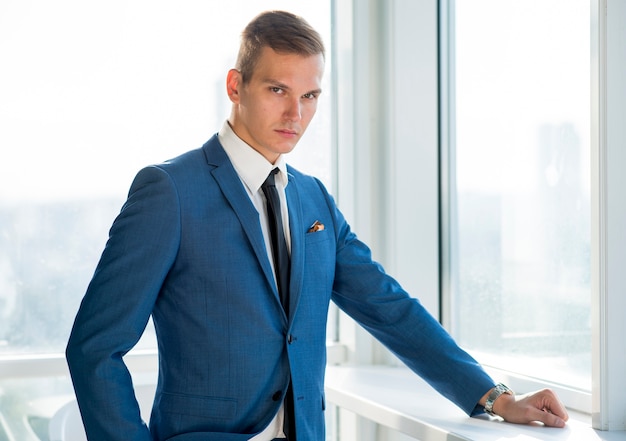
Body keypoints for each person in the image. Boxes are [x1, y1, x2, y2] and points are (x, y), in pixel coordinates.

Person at [66, 10, 569, 441]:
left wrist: (494, 396)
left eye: (310, 96)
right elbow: (94, 348)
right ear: (236, 86)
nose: (295, 113)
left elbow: (389, 308)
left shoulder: (312, 199)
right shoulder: (169, 192)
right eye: (278, 89)